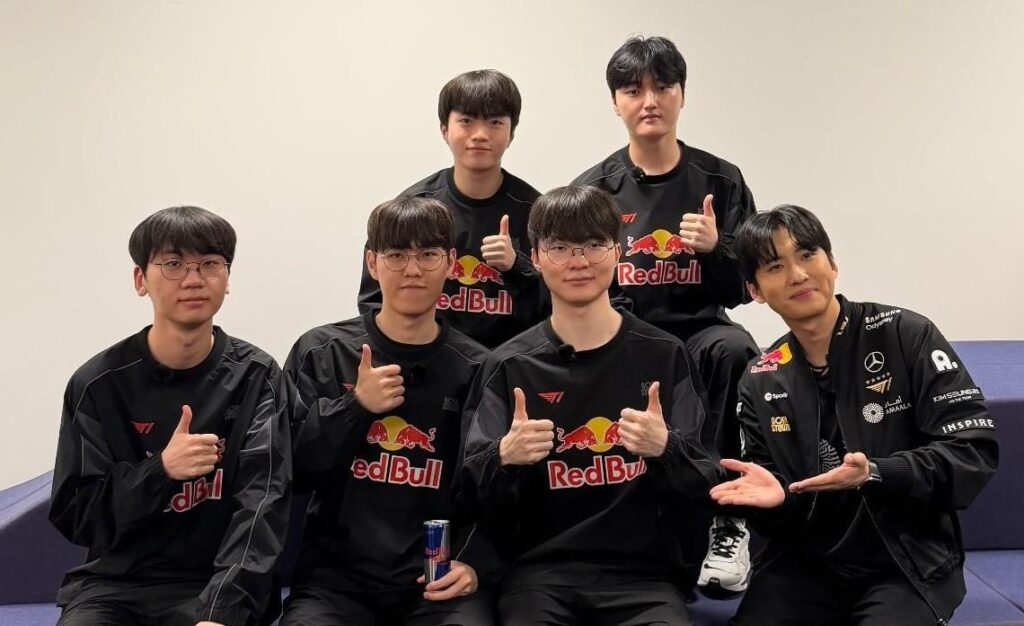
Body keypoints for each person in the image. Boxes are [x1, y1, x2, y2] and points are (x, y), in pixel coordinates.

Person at [711, 204, 999, 625]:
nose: (798, 275)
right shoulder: (760, 376)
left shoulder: (906, 334)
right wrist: (775, 501)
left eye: (807, 255)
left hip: (906, 563)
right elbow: (775, 503)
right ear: (755, 289)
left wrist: (878, 472)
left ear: (832, 263)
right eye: (775, 266)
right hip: (805, 563)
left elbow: (973, 453)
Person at [464, 185, 721, 626]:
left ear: (617, 252)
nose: (579, 261)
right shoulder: (507, 365)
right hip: (538, 577)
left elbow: (708, 481)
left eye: (593, 245)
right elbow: (467, 492)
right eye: (560, 248)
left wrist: (667, 448)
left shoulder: (665, 355)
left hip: (644, 579)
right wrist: (503, 456)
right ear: (535, 257)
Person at [572, 35, 758, 595]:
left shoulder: (720, 180)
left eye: (663, 87)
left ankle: (728, 519)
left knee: (735, 349)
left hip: (700, 329)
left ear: (682, 94)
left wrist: (717, 249)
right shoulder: (594, 189)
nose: (649, 101)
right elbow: (576, 282)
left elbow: (749, 287)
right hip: (626, 333)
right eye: (634, 90)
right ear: (615, 103)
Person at [50, 206, 292, 626]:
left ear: (227, 279)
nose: (194, 279)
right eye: (174, 264)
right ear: (140, 279)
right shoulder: (98, 384)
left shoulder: (258, 376)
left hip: (215, 582)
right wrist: (160, 470)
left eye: (210, 264)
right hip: (116, 585)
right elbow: (79, 513)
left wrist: (223, 610)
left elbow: (263, 505)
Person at [282, 197, 495, 625]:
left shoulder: (478, 367)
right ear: (372, 263)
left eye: (428, 255)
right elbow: (291, 469)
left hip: (436, 579)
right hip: (334, 584)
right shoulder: (321, 352)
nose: (412, 270)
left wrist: (477, 563)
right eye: (396, 255)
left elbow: (489, 491)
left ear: (451, 263)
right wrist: (355, 407)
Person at [357, 69, 545, 349]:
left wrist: (517, 266)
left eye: (494, 122)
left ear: (511, 134)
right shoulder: (412, 208)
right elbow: (374, 304)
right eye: (466, 121)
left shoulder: (537, 214)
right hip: (429, 363)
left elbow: (559, 307)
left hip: (511, 364)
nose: (480, 135)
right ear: (444, 130)